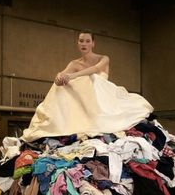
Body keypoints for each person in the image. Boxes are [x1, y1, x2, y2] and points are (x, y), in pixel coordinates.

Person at [21, 30, 153, 142]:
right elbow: (61, 78)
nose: (84, 44)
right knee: (63, 87)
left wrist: (73, 76)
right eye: (81, 41)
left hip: (103, 96)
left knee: (89, 79)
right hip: (83, 100)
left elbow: (95, 70)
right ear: (78, 43)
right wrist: (59, 77)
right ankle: (57, 120)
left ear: (93, 43)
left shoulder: (103, 58)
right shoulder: (74, 63)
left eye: (87, 41)